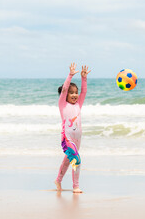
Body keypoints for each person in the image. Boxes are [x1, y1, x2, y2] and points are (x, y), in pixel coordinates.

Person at [55, 63, 91, 193]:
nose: (75, 95)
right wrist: (70, 75)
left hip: (77, 140)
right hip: (67, 139)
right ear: (65, 95)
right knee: (77, 160)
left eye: (76, 93)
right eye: (72, 93)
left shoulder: (78, 105)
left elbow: (84, 91)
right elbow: (64, 89)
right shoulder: (63, 105)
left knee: (67, 161)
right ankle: (75, 186)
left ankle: (58, 180)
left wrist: (84, 78)